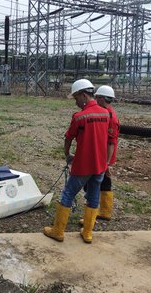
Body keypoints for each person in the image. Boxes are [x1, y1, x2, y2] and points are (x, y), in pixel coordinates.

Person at [43, 79, 110, 244]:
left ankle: (58, 231)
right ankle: (87, 233)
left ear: (84, 95)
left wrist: (67, 154)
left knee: (68, 194)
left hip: (83, 165)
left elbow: (68, 137)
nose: (76, 102)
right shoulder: (105, 113)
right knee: (93, 196)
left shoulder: (80, 116)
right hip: (100, 165)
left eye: (76, 98)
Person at [94, 85, 120, 221]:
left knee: (104, 180)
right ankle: (104, 211)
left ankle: (104, 211)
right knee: (103, 180)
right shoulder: (104, 112)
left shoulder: (111, 117)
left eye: (97, 97)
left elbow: (111, 142)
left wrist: (106, 163)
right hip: (101, 154)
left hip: (104, 156)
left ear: (102, 98)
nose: (95, 100)